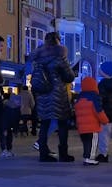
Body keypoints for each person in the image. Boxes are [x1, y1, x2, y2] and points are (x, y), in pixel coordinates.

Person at [31, 32, 75, 162]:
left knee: (44, 124)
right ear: (58, 41)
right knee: (62, 124)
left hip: (43, 96)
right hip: (57, 96)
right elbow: (69, 76)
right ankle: (63, 153)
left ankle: (43, 154)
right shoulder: (60, 57)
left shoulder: (38, 60)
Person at [74, 77, 109, 165]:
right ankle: (90, 158)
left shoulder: (79, 98)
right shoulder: (94, 97)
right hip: (92, 127)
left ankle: (86, 157)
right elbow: (98, 111)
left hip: (81, 127)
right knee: (93, 144)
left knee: (86, 143)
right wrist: (105, 120)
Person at [96, 61, 112, 162]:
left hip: (106, 114)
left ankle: (103, 154)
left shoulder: (102, 84)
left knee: (104, 135)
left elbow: (100, 99)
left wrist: (99, 111)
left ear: (104, 71)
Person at [0, 90, 21, 157]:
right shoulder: (16, 107)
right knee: (9, 136)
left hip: (4, 123)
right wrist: (16, 130)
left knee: (4, 136)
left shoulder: (2, 104)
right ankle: (9, 149)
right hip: (11, 123)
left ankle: (4, 150)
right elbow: (16, 118)